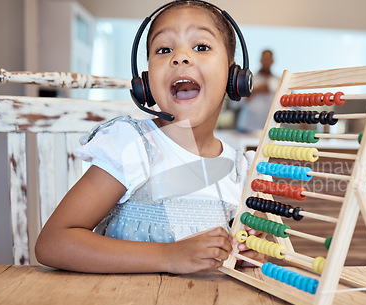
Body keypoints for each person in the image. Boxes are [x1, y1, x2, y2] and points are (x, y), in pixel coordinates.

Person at [35, 0, 264, 274]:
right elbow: (52, 242)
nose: (180, 57)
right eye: (164, 49)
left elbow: (249, 260)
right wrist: (168, 256)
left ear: (233, 74)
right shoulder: (133, 146)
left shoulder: (242, 171)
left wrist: (250, 252)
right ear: (145, 82)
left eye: (201, 47)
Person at [236, 49, 280, 133]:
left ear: (272, 61)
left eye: (269, 59)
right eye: (264, 58)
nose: (266, 61)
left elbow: (295, 105)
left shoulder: (280, 81)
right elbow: (235, 103)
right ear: (260, 60)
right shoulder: (249, 79)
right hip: (247, 129)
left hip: (270, 130)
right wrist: (255, 91)